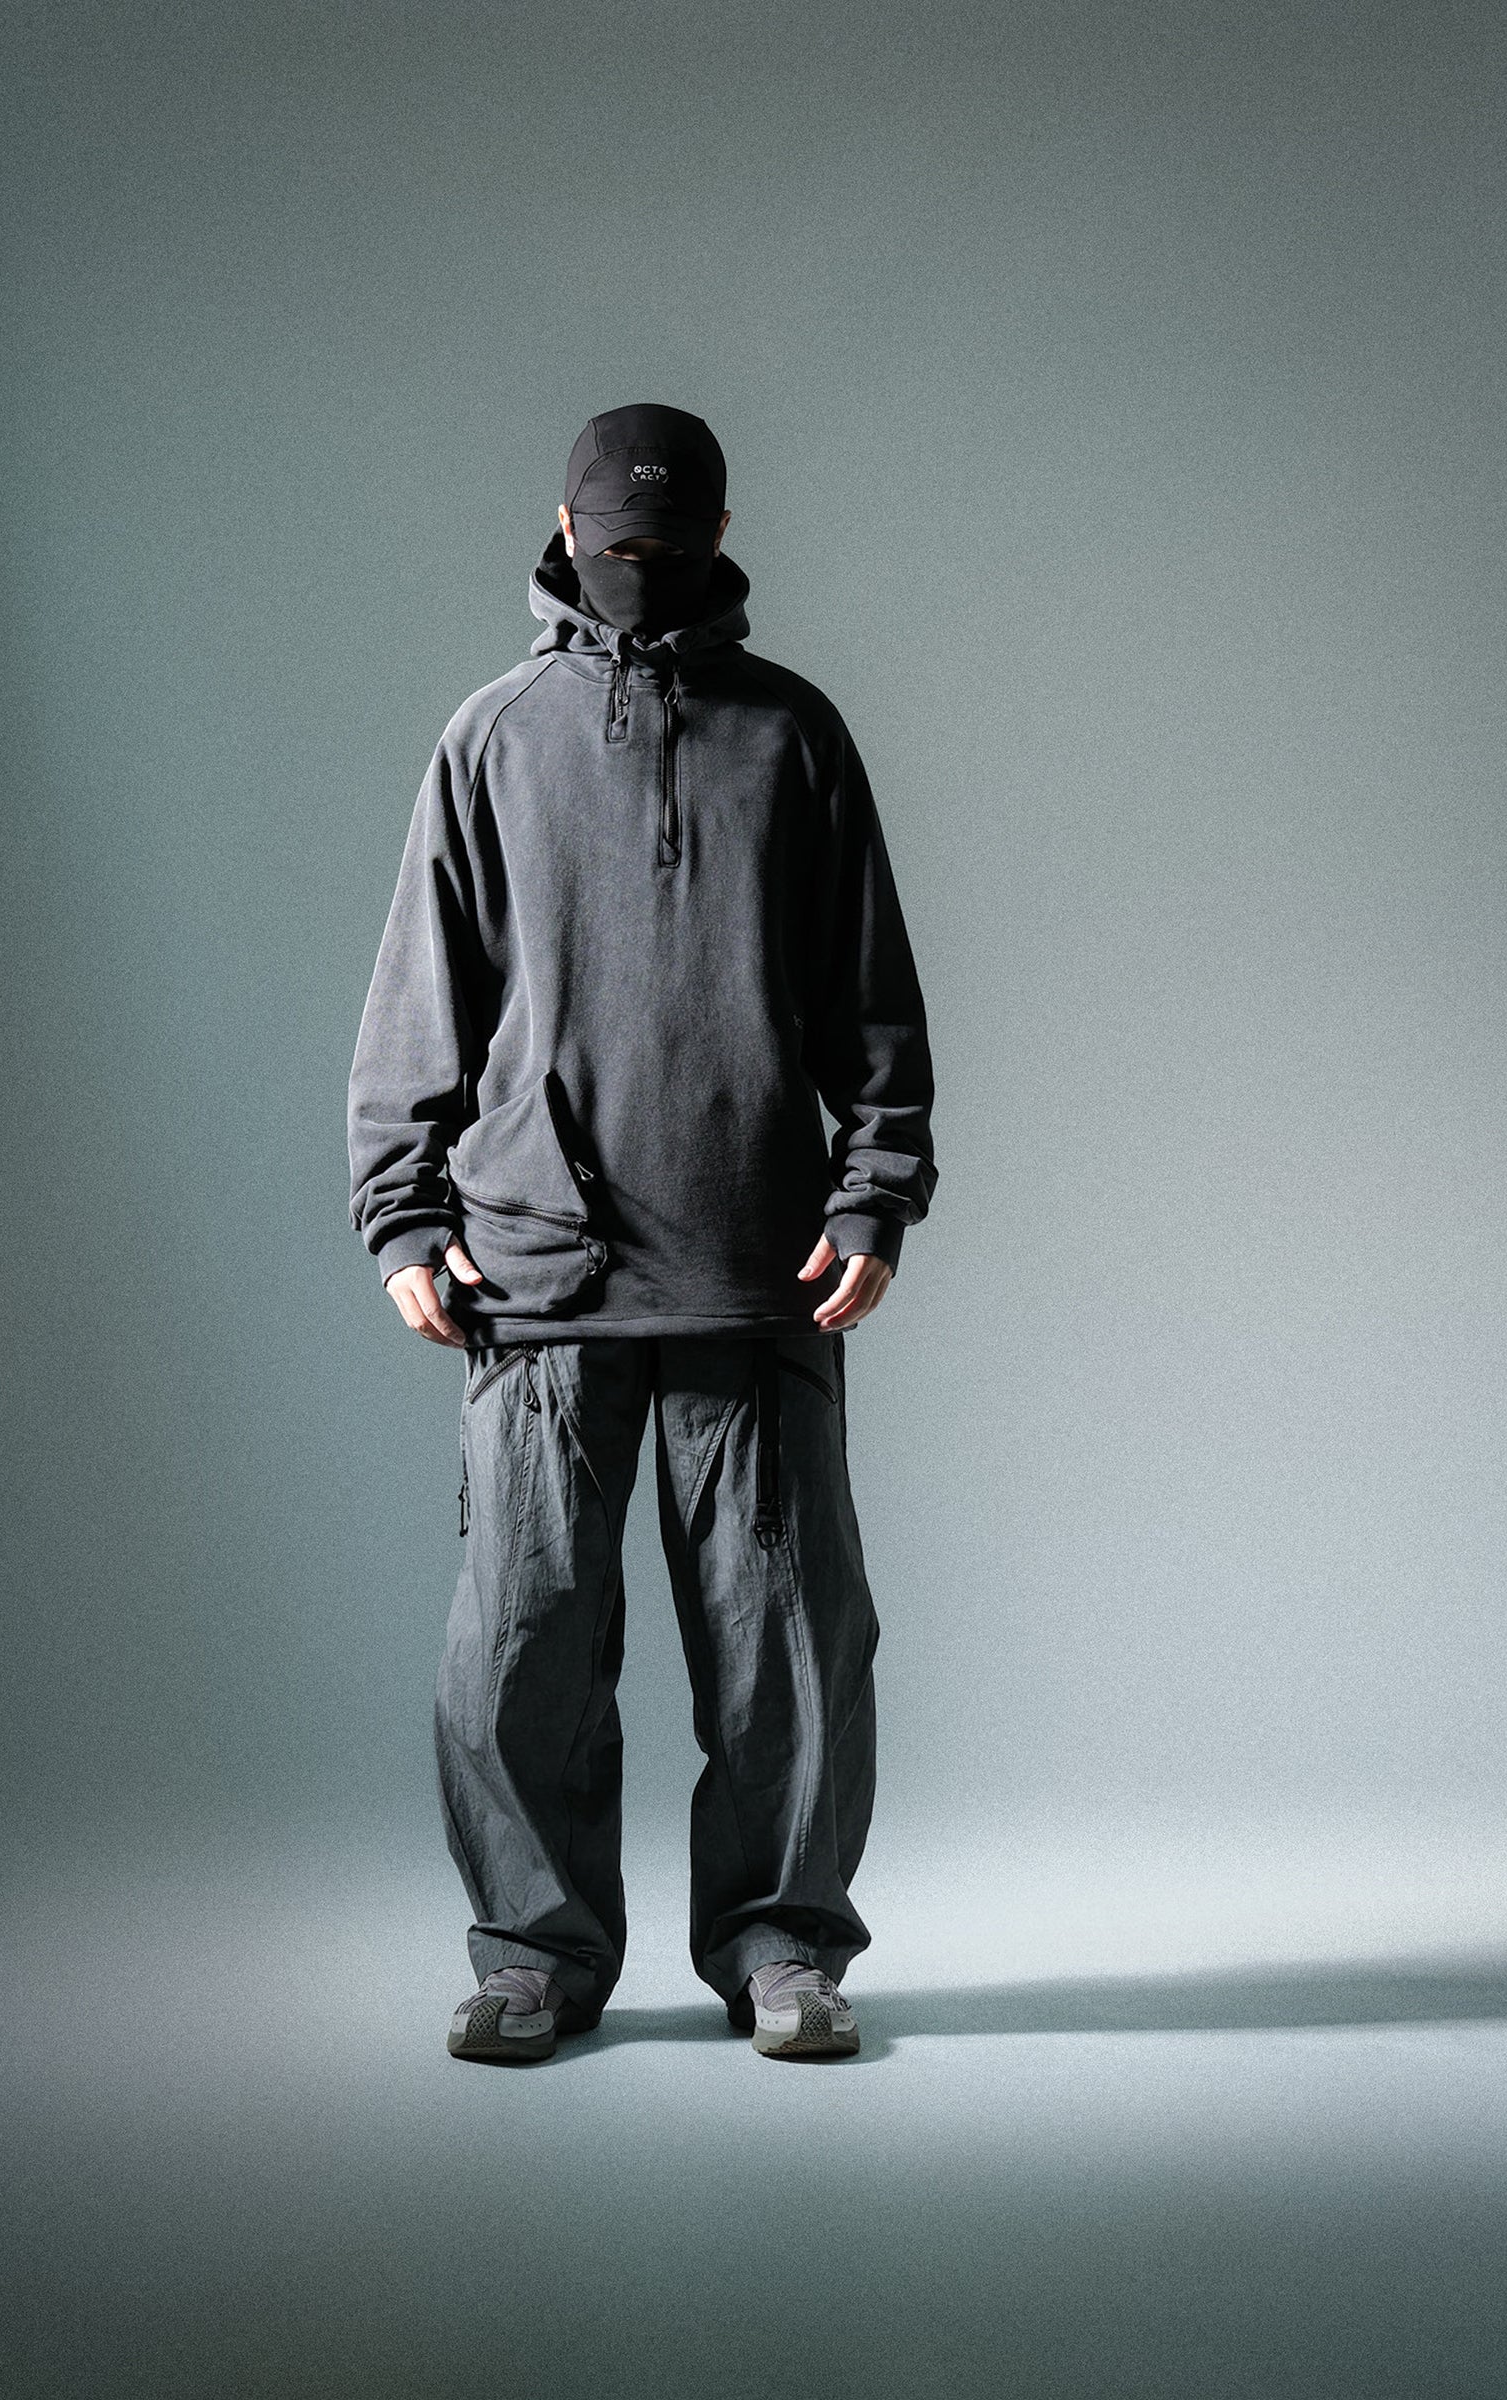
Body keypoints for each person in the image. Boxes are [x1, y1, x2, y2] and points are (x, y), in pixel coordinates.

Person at [347, 403, 937, 2063]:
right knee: (522, 1648)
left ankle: (783, 1947)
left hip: (757, 1275)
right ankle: (533, 1957)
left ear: (721, 535)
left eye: (668, 545)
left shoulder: (795, 736)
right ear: (564, 527)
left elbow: (871, 1001)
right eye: (617, 543)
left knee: (792, 1650)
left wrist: (875, 1190)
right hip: (539, 1271)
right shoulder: (492, 740)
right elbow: (420, 1000)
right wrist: (403, 1215)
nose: (640, 568)